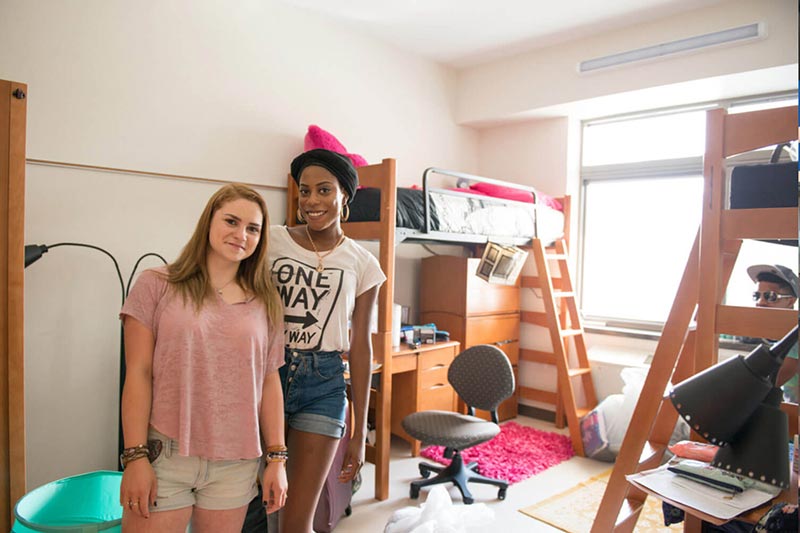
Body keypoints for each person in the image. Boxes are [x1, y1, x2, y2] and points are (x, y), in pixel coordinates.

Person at [119, 184, 288, 532]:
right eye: (231, 221)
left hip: (236, 460)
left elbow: (269, 380)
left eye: (253, 228)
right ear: (209, 221)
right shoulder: (156, 284)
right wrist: (134, 456)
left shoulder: (266, 301)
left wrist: (277, 458)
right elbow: (138, 372)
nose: (241, 234)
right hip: (165, 453)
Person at [268, 148, 385, 533]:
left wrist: (359, 430)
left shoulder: (363, 262)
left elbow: (362, 345)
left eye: (323, 190)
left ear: (344, 196)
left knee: (296, 521)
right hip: (267, 373)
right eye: (304, 191)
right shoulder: (272, 242)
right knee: (250, 509)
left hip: (325, 383)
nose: (311, 201)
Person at [747, 263, 798, 403]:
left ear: (790, 301)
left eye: (770, 296)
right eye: (756, 295)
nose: (760, 302)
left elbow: (773, 380)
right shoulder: (778, 335)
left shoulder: (794, 337)